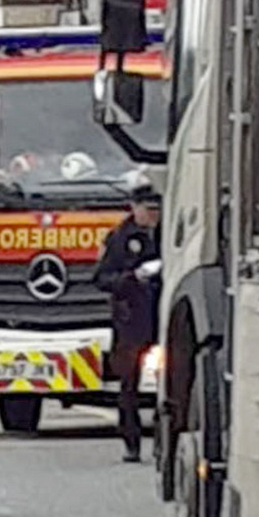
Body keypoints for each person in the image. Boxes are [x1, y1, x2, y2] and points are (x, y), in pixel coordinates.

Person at [95, 184, 162, 463]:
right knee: (129, 384)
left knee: (170, 380)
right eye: (148, 210)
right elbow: (102, 278)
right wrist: (132, 278)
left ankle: (164, 439)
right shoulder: (121, 238)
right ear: (134, 208)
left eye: (157, 210)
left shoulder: (168, 232)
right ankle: (131, 441)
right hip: (131, 317)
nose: (153, 215)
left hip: (162, 313)